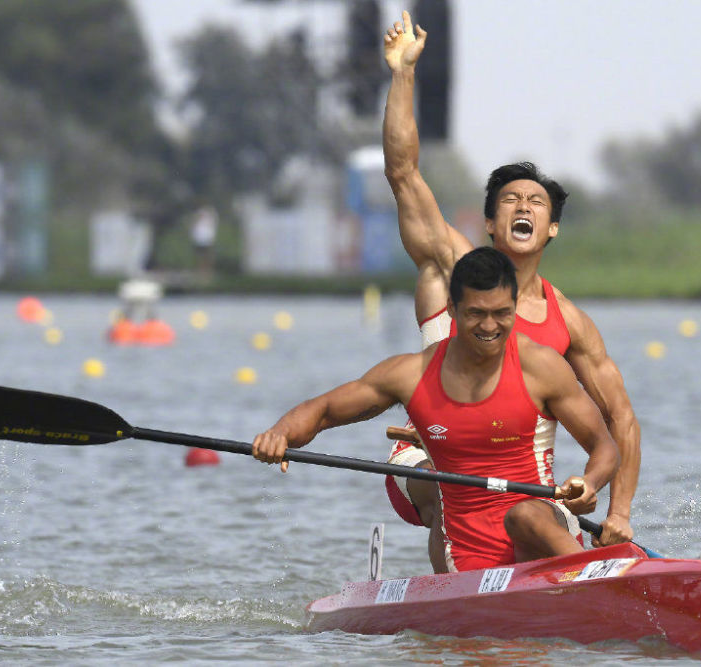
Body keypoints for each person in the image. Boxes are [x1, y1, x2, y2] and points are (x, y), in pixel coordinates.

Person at [381, 11, 641, 555]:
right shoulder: (453, 265)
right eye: (510, 201)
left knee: (530, 518)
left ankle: (570, 582)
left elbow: (620, 421)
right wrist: (404, 74)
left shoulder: (569, 322)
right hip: (434, 454)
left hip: (522, 475)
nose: (524, 206)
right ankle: (455, 600)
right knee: (448, 484)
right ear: (492, 224)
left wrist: (615, 511)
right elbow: (404, 174)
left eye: (537, 202)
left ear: (552, 228)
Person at [253, 248, 619, 572]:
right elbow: (325, 410)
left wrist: (590, 483)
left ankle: (596, 579)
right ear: (453, 309)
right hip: (466, 549)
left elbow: (603, 446)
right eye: (477, 314)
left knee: (523, 514)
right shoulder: (411, 375)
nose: (491, 327)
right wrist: (280, 434)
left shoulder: (541, 366)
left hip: (543, 530)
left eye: (502, 313)